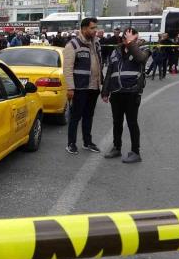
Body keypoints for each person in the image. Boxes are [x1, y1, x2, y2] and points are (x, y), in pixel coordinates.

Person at [101, 28, 151, 163]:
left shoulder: (144, 48)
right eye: (126, 38)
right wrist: (105, 91)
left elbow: (140, 59)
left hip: (132, 92)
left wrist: (131, 44)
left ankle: (136, 152)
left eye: (132, 38)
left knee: (132, 122)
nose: (128, 40)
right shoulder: (115, 51)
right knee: (116, 122)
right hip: (117, 92)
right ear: (122, 38)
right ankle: (116, 148)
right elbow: (109, 72)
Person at [63, 17, 103, 155]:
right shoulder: (73, 45)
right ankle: (71, 143)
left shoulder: (96, 44)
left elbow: (99, 64)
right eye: (92, 28)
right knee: (75, 116)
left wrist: (100, 85)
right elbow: (67, 69)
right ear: (84, 28)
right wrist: (70, 88)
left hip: (94, 87)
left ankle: (87, 142)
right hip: (80, 88)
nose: (95, 30)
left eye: (95, 28)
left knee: (89, 116)